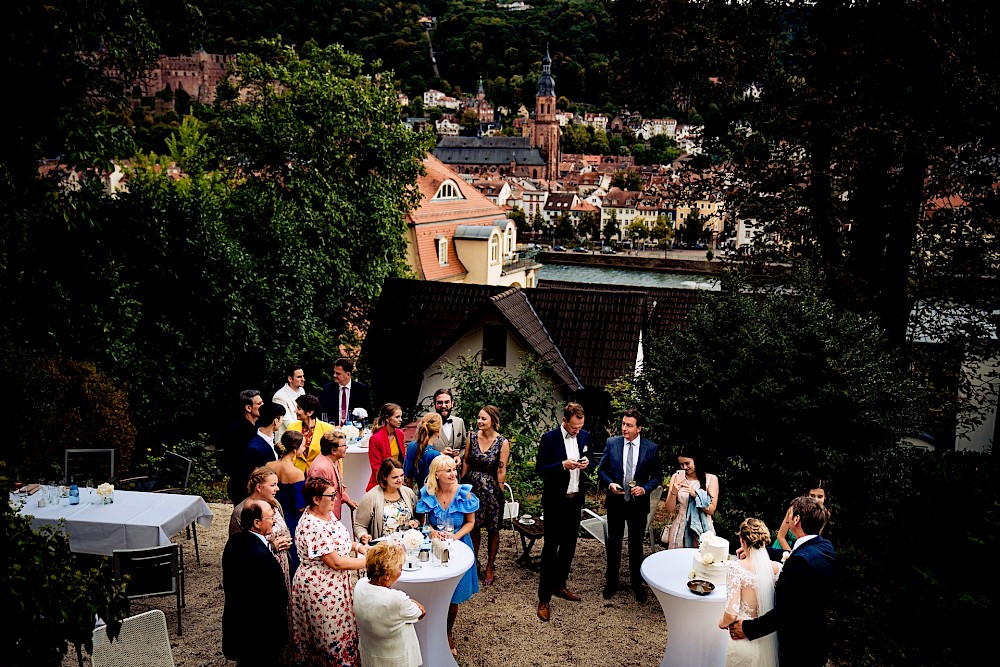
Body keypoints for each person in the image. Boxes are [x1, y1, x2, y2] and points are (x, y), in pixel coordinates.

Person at [729, 496, 836, 667]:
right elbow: (791, 555)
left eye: (790, 513)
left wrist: (748, 628)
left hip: (798, 647)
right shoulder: (824, 547)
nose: (787, 517)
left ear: (796, 520)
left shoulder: (799, 563)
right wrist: (758, 552)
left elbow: (785, 612)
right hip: (816, 638)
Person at [290, 476, 369, 667]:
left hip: (335, 585)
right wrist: (371, 562)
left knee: (344, 630)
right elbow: (336, 563)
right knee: (329, 635)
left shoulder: (327, 513)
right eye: (331, 495)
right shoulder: (312, 525)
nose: (336, 498)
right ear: (316, 499)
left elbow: (338, 541)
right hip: (321, 589)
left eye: (335, 494)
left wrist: (358, 547)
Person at [535, 402, 595, 621]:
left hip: (575, 500)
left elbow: (594, 461)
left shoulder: (585, 436)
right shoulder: (549, 438)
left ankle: (560, 585)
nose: (577, 431)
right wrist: (561, 465)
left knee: (569, 546)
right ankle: (544, 598)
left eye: (580, 427)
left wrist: (589, 463)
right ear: (564, 420)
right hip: (555, 502)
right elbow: (540, 469)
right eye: (574, 427)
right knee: (550, 549)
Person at [416, 454, 479, 656]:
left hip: (459, 546)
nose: (453, 474)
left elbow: (471, 522)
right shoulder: (427, 493)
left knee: (453, 598)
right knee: (432, 591)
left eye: (454, 469)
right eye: (448, 470)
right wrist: (433, 532)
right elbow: (424, 522)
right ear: (437, 474)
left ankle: (447, 632)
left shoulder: (465, 494)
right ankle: (426, 630)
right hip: (434, 547)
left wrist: (455, 536)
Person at [597, 408, 661, 602]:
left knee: (636, 546)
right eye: (623, 424)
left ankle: (637, 584)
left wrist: (644, 488)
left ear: (639, 428)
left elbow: (658, 476)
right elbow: (602, 469)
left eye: (629, 425)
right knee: (614, 543)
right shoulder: (612, 443)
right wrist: (610, 483)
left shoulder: (651, 448)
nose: (624, 428)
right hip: (616, 501)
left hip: (638, 504)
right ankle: (612, 582)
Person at [222, 499, 289, 667]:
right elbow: (268, 597)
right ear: (257, 523)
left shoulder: (236, 542)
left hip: (241, 629)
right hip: (259, 634)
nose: (274, 520)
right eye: (271, 517)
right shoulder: (257, 555)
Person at [718, 518, 781, 667]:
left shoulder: (736, 569)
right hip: (768, 637)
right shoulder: (777, 569)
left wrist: (721, 623)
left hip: (742, 638)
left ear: (742, 540)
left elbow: (731, 614)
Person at [354, 542, 426, 667]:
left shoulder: (360, 584)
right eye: (400, 567)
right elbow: (421, 613)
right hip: (395, 659)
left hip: (370, 652)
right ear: (387, 575)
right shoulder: (397, 599)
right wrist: (411, 601)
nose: (401, 570)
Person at [462, 404, 510, 587]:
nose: (479, 421)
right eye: (479, 418)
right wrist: (461, 484)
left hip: (491, 489)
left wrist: (500, 491)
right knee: (473, 526)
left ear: (493, 421)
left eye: (483, 418)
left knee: (493, 529)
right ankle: (472, 562)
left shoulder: (502, 442)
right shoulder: (472, 437)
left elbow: (501, 469)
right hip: (472, 487)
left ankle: (490, 565)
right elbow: (466, 460)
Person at [228, 466, 294, 596]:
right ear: (259, 487)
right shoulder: (240, 512)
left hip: (282, 565)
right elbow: (238, 549)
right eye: (273, 485)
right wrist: (272, 546)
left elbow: (284, 528)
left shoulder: (275, 504)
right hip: (260, 571)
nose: (277, 488)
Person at [662, 442, 720, 549]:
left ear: (696, 460)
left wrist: (696, 495)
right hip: (681, 525)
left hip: (702, 526)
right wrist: (674, 491)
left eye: (687, 463)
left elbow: (711, 510)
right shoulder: (676, 477)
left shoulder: (711, 479)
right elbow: (669, 509)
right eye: (681, 464)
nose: (684, 467)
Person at [355, 458, 419, 544]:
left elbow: (417, 517)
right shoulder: (370, 497)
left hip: (408, 545)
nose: (400, 479)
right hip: (383, 548)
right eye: (395, 477)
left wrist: (415, 522)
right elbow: (359, 526)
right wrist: (363, 535)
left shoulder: (408, 493)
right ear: (384, 477)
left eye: (402, 475)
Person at [234, 401, 285, 503]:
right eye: (281, 419)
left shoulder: (270, 439)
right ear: (275, 421)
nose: (282, 422)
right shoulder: (255, 448)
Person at [272, 430, 307, 574]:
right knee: (292, 556)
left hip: (274, 514)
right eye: (303, 446)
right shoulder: (296, 473)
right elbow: (300, 506)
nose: (305, 449)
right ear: (294, 450)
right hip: (291, 518)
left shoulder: (269, 465)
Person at [222, 389, 264, 505]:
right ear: (248, 408)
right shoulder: (237, 430)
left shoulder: (259, 425)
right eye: (259, 404)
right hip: (242, 484)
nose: (263, 406)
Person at [308, 430, 357, 521]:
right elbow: (318, 499)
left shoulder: (335, 460)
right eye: (343, 446)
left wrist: (348, 500)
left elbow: (337, 486)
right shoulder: (320, 468)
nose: (347, 447)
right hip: (323, 519)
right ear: (333, 450)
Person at [774, 478, 829, 551]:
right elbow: (781, 536)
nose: (815, 500)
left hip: (803, 551)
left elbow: (815, 538)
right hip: (783, 548)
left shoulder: (824, 514)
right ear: (807, 495)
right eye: (812, 496)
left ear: (825, 497)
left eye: (820, 496)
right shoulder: (794, 509)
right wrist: (791, 554)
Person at [287, 393, 335, 473]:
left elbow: (334, 456)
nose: (295, 411)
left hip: (318, 473)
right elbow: (287, 454)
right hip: (296, 473)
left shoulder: (328, 429)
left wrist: (339, 477)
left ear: (310, 412)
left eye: (299, 409)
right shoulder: (292, 427)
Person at [319, 357, 373, 427]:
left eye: (338, 373)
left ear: (348, 374)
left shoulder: (361, 389)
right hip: (333, 430)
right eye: (334, 372)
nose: (334, 375)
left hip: (354, 430)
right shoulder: (328, 389)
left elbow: (367, 413)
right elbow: (322, 412)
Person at [366, 403, 405, 491]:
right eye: (397, 417)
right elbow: (376, 467)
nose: (400, 420)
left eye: (401, 417)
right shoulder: (375, 438)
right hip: (381, 481)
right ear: (387, 418)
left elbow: (402, 459)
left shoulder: (400, 434)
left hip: (398, 480)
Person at [403, 412, 443, 487]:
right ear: (438, 430)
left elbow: (408, 475)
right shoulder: (435, 455)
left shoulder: (412, 445)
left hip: (416, 491)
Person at [430, 388, 467, 461]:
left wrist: (459, 456)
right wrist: (440, 454)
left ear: (452, 403)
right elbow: (420, 450)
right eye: (440, 403)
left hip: (454, 470)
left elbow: (464, 446)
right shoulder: (426, 423)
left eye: (447, 402)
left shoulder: (459, 422)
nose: (443, 406)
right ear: (434, 404)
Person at [272, 364, 306, 438]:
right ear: (290, 379)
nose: (303, 379)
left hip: (302, 436)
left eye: (303, 376)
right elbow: (289, 424)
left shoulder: (302, 391)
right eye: (299, 377)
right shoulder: (279, 396)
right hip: (287, 440)